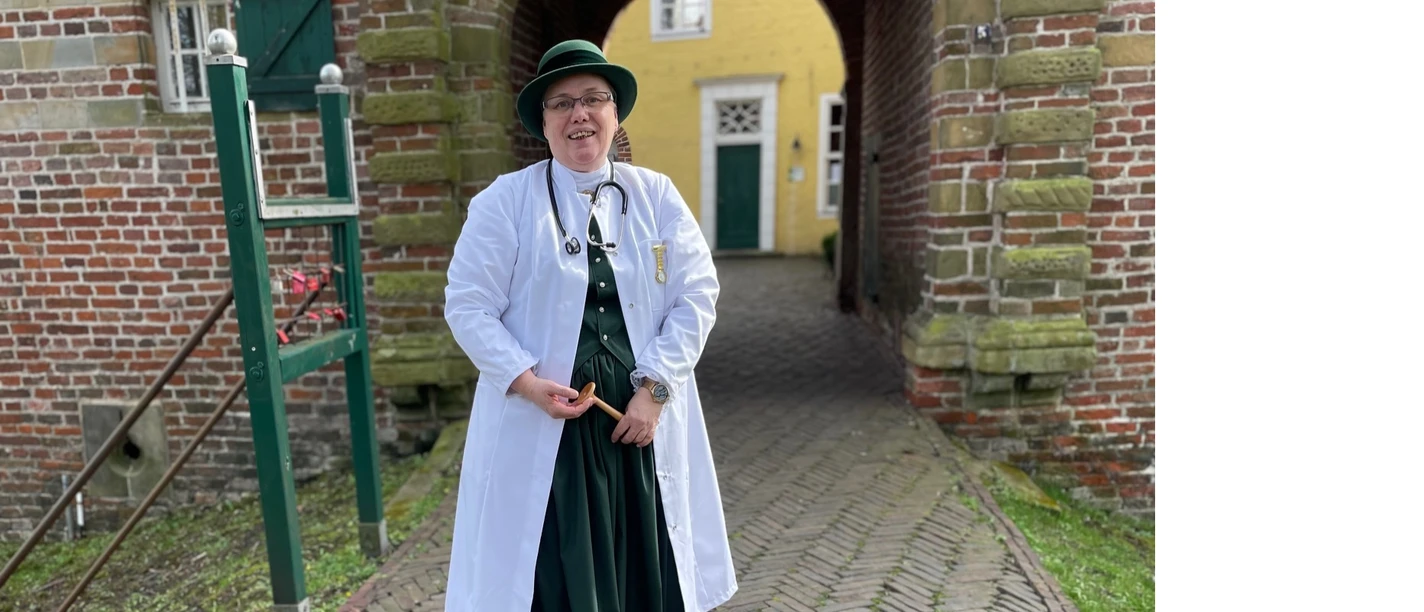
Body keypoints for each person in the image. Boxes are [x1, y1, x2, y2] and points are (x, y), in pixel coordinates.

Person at [442, 39, 737, 612]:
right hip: (549, 429)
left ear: (614, 113)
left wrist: (654, 391)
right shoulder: (505, 203)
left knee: (644, 568)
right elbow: (468, 305)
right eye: (562, 103)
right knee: (555, 573)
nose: (579, 114)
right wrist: (526, 382)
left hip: (638, 426)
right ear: (544, 123)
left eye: (594, 99)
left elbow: (697, 294)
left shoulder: (656, 196)